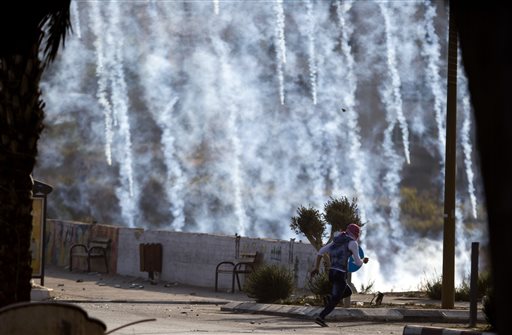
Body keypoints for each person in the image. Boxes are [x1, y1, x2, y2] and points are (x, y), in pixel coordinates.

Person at [310, 223, 369, 327]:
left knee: (348, 291)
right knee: (336, 299)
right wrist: (364, 260)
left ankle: (329, 298)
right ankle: (321, 317)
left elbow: (320, 252)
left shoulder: (336, 241)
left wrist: (316, 268)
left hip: (332, 273)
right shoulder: (352, 243)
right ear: (356, 234)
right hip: (340, 274)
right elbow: (358, 262)